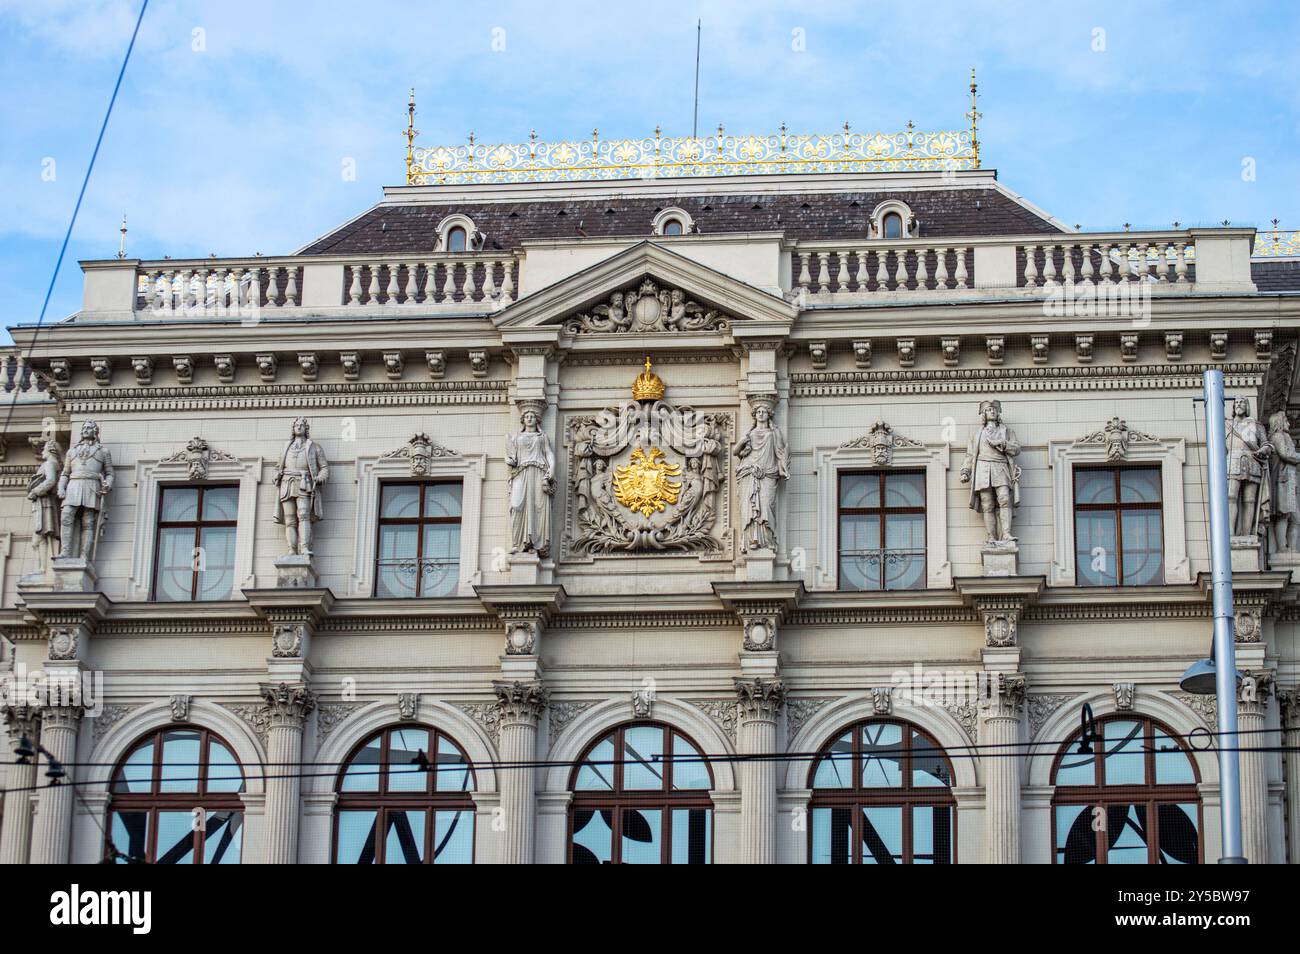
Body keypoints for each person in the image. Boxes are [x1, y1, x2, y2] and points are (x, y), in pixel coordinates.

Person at [960, 399, 1021, 544]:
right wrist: (966, 471)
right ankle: (992, 537)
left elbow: (1016, 448)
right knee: (987, 504)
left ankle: (1006, 534)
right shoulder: (977, 434)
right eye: (988, 409)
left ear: (998, 412)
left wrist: (1003, 444)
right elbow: (970, 455)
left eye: (994, 409)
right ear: (984, 414)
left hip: (1000, 466)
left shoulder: (1006, 431)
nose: (992, 411)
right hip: (983, 468)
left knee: (1004, 499)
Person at [735, 399, 789, 552]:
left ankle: (767, 539)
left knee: (766, 505)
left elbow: (781, 450)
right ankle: (752, 539)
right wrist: (743, 443)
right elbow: (735, 452)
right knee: (750, 508)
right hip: (750, 472)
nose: (761, 414)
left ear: (769, 414)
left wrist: (783, 467)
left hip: (768, 474)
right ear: (754, 415)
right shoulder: (750, 434)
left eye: (764, 411)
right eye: (758, 412)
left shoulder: (773, 433)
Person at [58, 420, 113, 561]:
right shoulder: (72, 451)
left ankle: (84, 555)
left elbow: (110, 473)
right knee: (66, 516)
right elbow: (65, 473)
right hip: (74, 484)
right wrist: (61, 487)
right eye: (84, 428)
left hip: (92, 484)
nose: (86, 430)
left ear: (95, 432)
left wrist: (108, 484)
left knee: (88, 521)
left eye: (89, 428)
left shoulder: (103, 451)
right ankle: (65, 552)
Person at [273, 417, 329, 555]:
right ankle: (291, 549)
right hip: (286, 483)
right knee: (290, 519)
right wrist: (275, 475)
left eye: (301, 425)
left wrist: (320, 478)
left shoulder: (314, 447)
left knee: (304, 515)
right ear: (293, 428)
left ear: (306, 429)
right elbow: (277, 466)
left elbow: (324, 468)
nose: (298, 427)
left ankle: (304, 547)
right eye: (296, 425)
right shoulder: (287, 446)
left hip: (305, 483)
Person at [506, 404, 556, 557]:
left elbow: (549, 454)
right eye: (527, 416)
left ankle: (534, 542)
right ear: (523, 420)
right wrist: (510, 460)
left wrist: (552, 469)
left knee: (538, 507)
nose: (529, 418)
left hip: (539, 472)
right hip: (521, 473)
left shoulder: (542, 437)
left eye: (532, 416)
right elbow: (510, 455)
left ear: (537, 420)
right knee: (516, 505)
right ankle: (517, 542)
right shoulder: (516, 437)